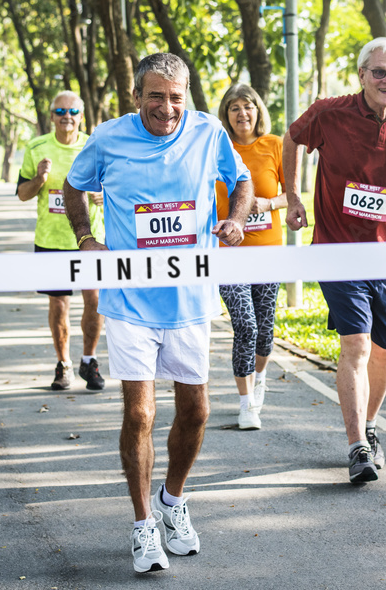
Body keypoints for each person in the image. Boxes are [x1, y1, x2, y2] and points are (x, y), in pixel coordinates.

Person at [63, 53, 253, 574]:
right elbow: (73, 187)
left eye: (176, 96)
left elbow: (241, 182)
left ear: (186, 94)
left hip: (190, 299)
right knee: (140, 414)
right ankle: (143, 522)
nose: (166, 107)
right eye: (155, 95)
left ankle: (173, 502)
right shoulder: (107, 137)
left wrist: (235, 221)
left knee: (196, 412)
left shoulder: (208, 132)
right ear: (136, 96)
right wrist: (86, 237)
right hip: (129, 302)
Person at [283, 37, 386, 484]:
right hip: (337, 248)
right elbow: (290, 139)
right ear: (361, 75)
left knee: (383, 351)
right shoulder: (329, 112)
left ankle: (370, 427)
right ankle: (357, 447)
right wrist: (295, 197)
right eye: (379, 72)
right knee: (355, 343)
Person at [17, 91, 106, 392]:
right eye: (60, 111)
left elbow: (117, 187)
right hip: (51, 240)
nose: (66, 116)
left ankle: (89, 360)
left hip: (90, 239)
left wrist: (104, 195)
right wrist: (39, 180)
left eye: (73, 111)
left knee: (94, 302)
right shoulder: (37, 147)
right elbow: (22, 194)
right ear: (52, 115)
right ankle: (63, 363)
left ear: (82, 116)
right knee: (59, 305)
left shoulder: (95, 146)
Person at [215, 83, 287, 431]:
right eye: (234, 108)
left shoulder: (274, 145)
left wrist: (268, 203)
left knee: (265, 330)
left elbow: (293, 196)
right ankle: (246, 406)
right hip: (229, 255)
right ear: (225, 115)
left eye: (248, 106)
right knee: (245, 324)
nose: (242, 114)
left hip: (269, 254)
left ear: (258, 110)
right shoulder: (217, 150)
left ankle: (259, 378)